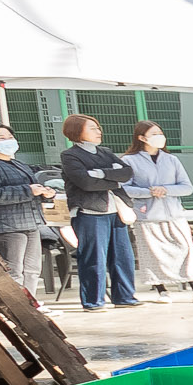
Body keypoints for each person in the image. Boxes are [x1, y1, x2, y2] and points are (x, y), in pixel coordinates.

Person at [120, 120, 193, 303]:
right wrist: (149, 191)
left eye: (160, 133)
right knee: (153, 254)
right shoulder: (129, 161)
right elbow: (124, 189)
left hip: (174, 214)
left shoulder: (171, 160)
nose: (160, 138)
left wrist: (165, 189)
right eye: (154, 134)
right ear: (142, 138)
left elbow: (187, 187)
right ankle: (162, 291)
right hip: (147, 215)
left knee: (186, 249)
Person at [58, 113, 138, 311]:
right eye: (92, 128)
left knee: (122, 256)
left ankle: (124, 296)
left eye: (97, 127)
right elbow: (85, 182)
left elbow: (126, 173)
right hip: (89, 211)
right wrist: (112, 176)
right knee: (94, 257)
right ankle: (93, 300)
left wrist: (100, 173)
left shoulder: (105, 152)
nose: (98, 131)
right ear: (77, 131)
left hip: (116, 210)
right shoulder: (70, 155)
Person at [0, 122, 55, 296]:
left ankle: (31, 305)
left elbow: (30, 189)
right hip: (7, 225)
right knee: (14, 270)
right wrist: (29, 190)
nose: (9, 141)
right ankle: (16, 307)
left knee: (32, 269)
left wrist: (44, 193)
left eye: (11, 137)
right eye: (2, 138)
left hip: (30, 222)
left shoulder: (17, 164)